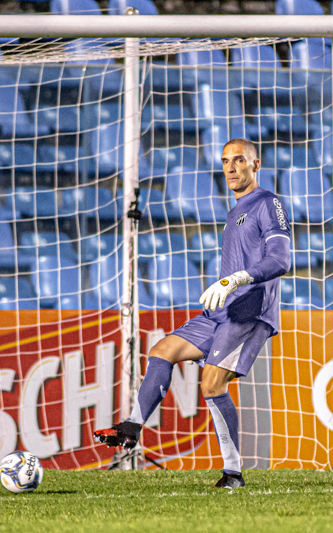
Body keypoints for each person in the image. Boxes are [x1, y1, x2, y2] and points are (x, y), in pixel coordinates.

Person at [94, 138, 292, 489]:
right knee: (163, 350)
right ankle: (131, 428)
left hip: (249, 310)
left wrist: (235, 280)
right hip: (223, 310)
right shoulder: (235, 211)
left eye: (239, 160)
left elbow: (280, 260)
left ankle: (233, 473)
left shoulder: (268, 203)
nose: (230, 168)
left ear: (255, 164)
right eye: (225, 161)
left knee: (212, 384)